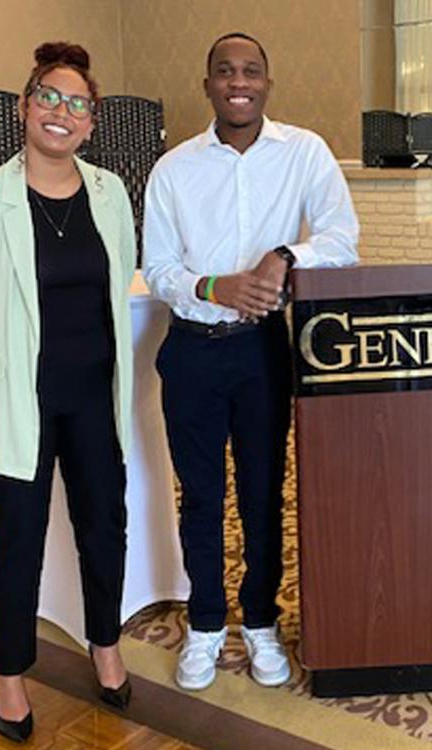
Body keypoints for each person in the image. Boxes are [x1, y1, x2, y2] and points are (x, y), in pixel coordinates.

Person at [142, 32, 359, 691]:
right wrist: (215, 287)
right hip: (191, 353)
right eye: (225, 71)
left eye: (252, 71)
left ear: (268, 82)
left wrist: (286, 257)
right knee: (201, 497)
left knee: (264, 495)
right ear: (207, 84)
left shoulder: (306, 153)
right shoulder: (173, 169)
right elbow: (158, 268)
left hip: (264, 352)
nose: (239, 81)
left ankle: (261, 620)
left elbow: (343, 239)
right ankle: (207, 623)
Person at [0, 42, 136, 742]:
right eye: (48, 96)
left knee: (104, 525)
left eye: (77, 103)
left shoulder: (109, 194)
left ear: (92, 121)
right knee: (16, 539)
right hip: (20, 397)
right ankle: (10, 676)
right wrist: (2, 350)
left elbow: (120, 286)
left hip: (92, 394)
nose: (61, 112)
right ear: (25, 107)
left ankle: (104, 646)